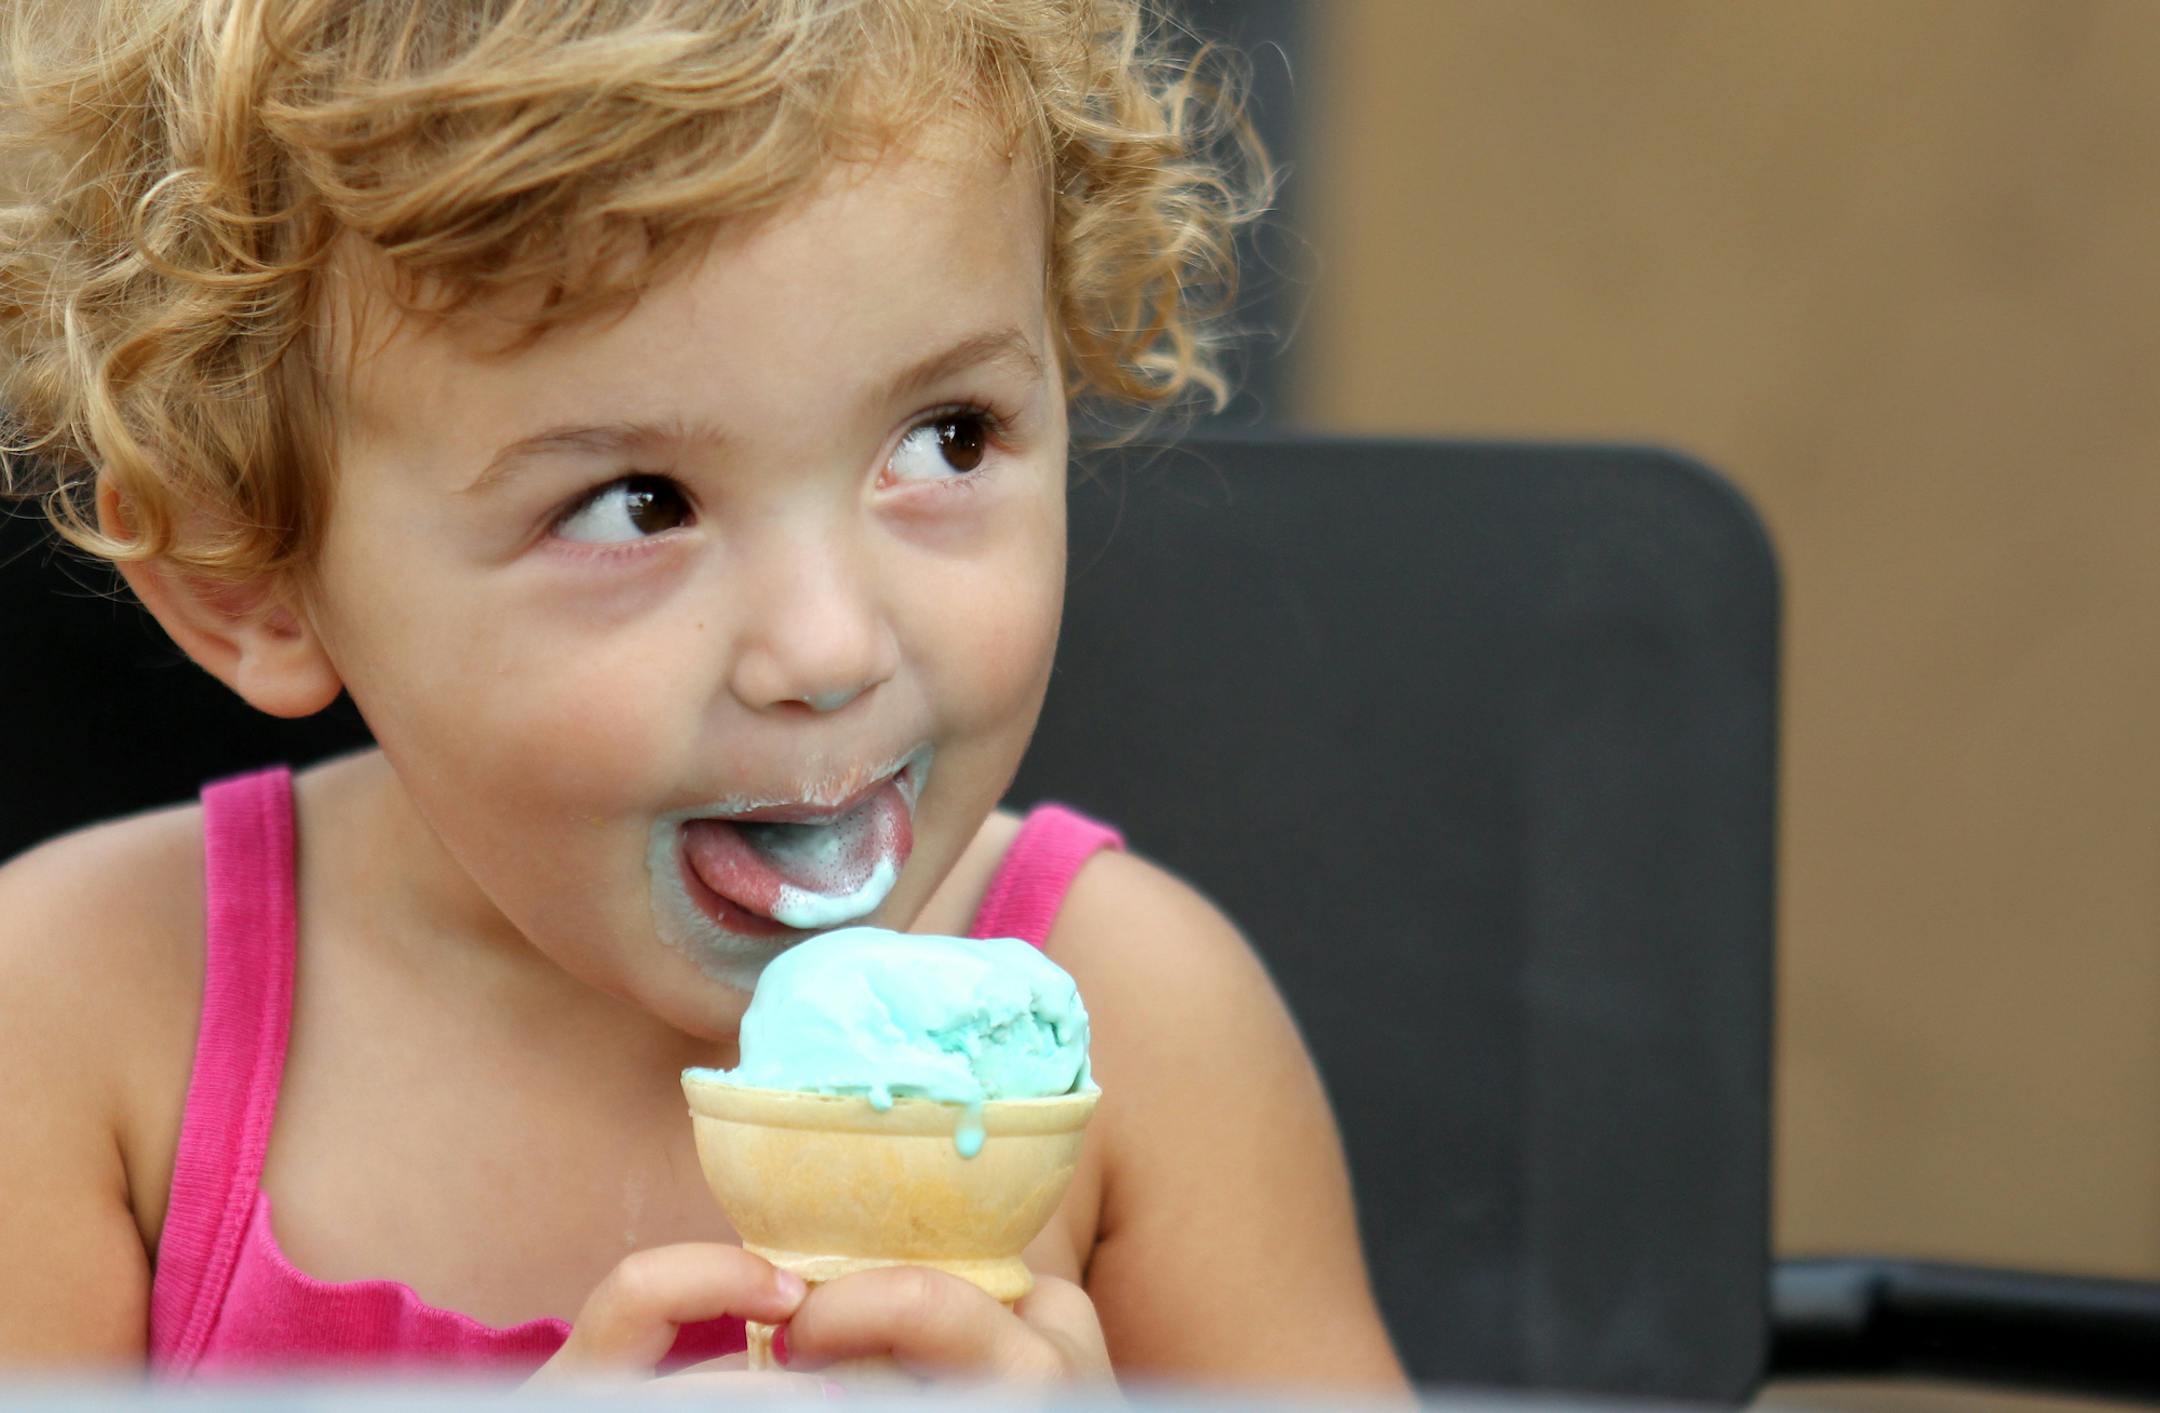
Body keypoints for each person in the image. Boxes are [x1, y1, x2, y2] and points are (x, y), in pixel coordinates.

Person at [0, 0, 1406, 1393]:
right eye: (634, 504)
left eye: (947, 434)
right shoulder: (83, 1025)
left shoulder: (1154, 1039)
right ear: (252, 573)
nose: (826, 646)